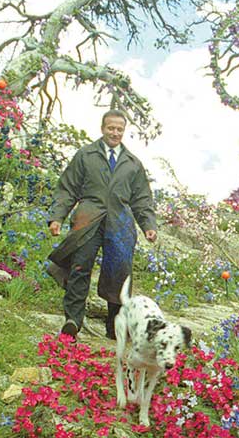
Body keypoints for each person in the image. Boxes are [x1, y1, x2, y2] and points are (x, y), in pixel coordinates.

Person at [46, 110, 157, 340]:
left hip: (120, 222)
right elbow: (67, 188)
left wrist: (148, 224)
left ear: (124, 131)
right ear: (102, 128)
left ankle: (115, 327)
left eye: (119, 129)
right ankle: (73, 321)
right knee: (79, 266)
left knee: (119, 273)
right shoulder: (86, 155)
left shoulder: (133, 163)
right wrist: (57, 217)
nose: (115, 133)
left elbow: (142, 199)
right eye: (111, 128)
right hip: (88, 217)